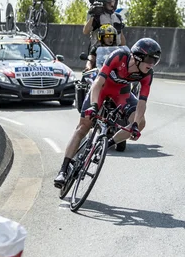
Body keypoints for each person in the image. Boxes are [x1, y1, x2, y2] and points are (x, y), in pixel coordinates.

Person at [53, 38, 162, 188]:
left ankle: (109, 144)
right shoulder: (119, 56)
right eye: (150, 59)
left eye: (155, 61)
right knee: (83, 127)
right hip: (102, 89)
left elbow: (142, 102)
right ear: (137, 56)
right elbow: (98, 82)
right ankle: (63, 170)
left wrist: (135, 125)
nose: (152, 64)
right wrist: (92, 106)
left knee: (141, 122)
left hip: (122, 94)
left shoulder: (147, 74)